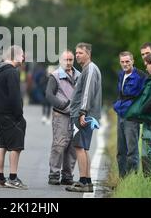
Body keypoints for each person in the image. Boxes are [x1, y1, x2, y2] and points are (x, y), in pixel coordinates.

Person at [65, 43, 102, 193]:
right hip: (82, 113)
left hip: (83, 115)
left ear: (88, 54)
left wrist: (82, 112)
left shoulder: (91, 69)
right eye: (76, 52)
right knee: (83, 148)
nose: (77, 55)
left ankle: (83, 182)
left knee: (80, 148)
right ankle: (86, 181)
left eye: (80, 53)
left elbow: (87, 92)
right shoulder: (87, 69)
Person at [0, 45, 28, 189]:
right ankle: (13, 178)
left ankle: (0, 178)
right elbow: (15, 96)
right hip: (10, 114)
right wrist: (19, 115)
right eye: (22, 55)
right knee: (15, 146)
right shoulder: (12, 72)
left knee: (2, 145)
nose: (24, 58)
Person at [45, 51, 80, 185]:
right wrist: (61, 104)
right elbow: (48, 94)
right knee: (59, 145)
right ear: (60, 61)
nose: (68, 62)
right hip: (61, 115)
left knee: (72, 147)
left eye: (71, 59)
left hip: (75, 115)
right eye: (66, 60)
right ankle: (54, 174)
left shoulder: (79, 75)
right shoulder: (55, 76)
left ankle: (67, 175)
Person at [113, 51, 147, 178]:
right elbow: (121, 93)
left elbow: (145, 95)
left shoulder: (141, 76)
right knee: (120, 150)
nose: (125, 64)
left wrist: (138, 111)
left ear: (133, 61)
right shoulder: (121, 74)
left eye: (127, 61)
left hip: (132, 116)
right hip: (120, 113)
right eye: (122, 62)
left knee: (131, 150)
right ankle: (122, 178)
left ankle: (132, 178)